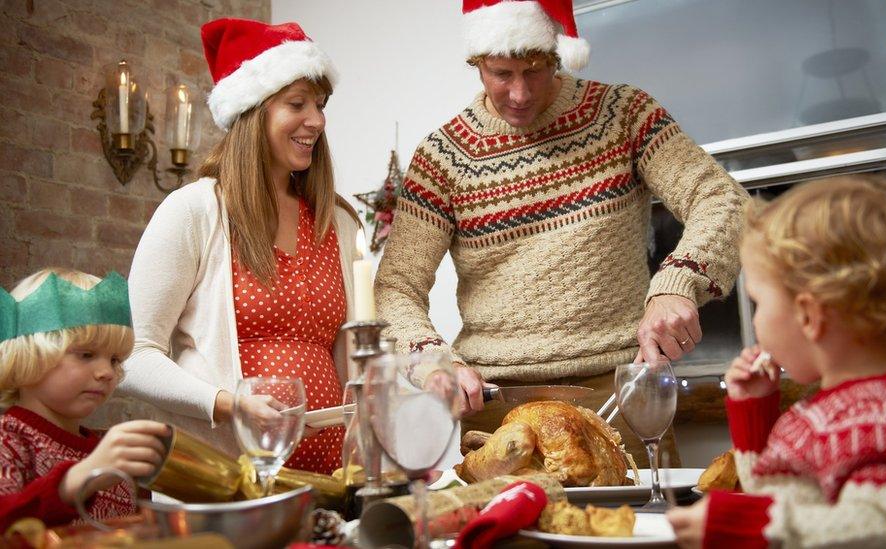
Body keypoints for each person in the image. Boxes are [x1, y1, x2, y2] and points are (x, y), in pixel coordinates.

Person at [374, 0, 747, 465]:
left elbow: (722, 199)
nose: (520, 93)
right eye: (500, 73)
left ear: (557, 52)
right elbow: (396, 287)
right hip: (498, 413)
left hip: (621, 393)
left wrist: (678, 284)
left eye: (535, 70)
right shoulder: (442, 158)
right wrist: (431, 360)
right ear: (476, 63)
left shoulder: (623, 115)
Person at [666, 176, 886, 548]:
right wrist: (755, 414)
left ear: (809, 316)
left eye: (759, 303)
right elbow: (785, 496)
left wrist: (747, 525)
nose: (756, 321)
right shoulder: (841, 409)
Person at [115, 18, 360, 474]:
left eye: (321, 105)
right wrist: (229, 404)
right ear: (252, 110)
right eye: (297, 104)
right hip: (228, 473)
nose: (318, 120)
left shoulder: (336, 222)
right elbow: (133, 355)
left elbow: (350, 356)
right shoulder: (195, 210)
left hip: (331, 476)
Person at [0, 268, 169, 530]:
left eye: (114, 360)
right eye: (86, 355)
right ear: (29, 353)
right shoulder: (7, 440)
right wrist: (72, 483)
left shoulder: (108, 450)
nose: (107, 373)